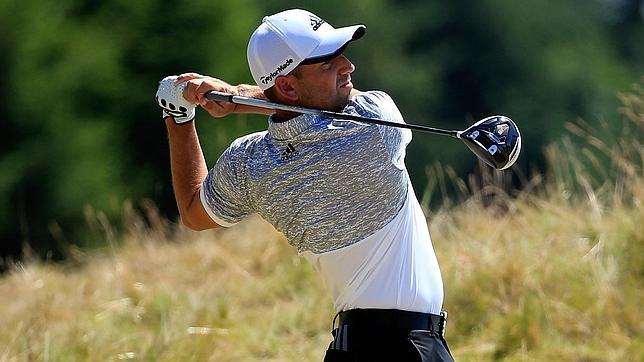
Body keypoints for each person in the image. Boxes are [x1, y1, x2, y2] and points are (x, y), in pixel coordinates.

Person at [156, 8, 453, 362]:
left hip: (349, 348)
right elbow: (313, 109)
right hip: (410, 349)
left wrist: (177, 116)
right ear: (286, 85)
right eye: (328, 63)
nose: (347, 66)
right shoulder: (375, 125)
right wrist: (237, 98)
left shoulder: (249, 164)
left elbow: (193, 212)